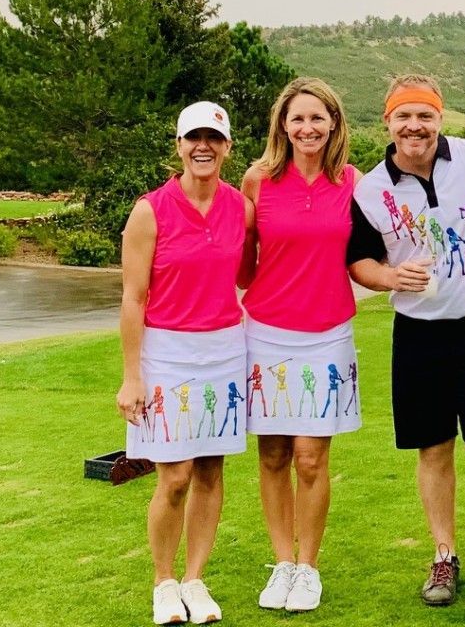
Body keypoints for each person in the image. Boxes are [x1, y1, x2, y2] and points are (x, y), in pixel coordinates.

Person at [346, 74, 465, 611]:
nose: (414, 126)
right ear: (388, 122)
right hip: (418, 334)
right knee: (433, 449)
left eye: (424, 115)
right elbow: (360, 260)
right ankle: (444, 555)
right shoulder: (370, 189)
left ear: (439, 117)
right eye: (404, 116)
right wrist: (390, 278)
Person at [117, 102, 251, 625]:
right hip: (166, 353)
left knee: (211, 471)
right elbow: (132, 298)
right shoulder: (150, 210)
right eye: (193, 138)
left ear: (227, 148)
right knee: (173, 476)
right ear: (178, 146)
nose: (203, 147)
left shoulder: (240, 207)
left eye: (213, 139)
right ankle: (163, 582)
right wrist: (132, 376)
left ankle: (195, 578)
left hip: (223, 350)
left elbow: (245, 276)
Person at [240, 77, 361, 612]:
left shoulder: (354, 182)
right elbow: (241, 262)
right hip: (265, 331)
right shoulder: (258, 180)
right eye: (297, 119)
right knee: (273, 455)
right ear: (282, 127)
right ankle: (282, 563)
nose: (307, 127)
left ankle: (308, 568)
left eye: (317, 118)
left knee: (311, 459)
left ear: (334, 123)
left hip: (328, 332)